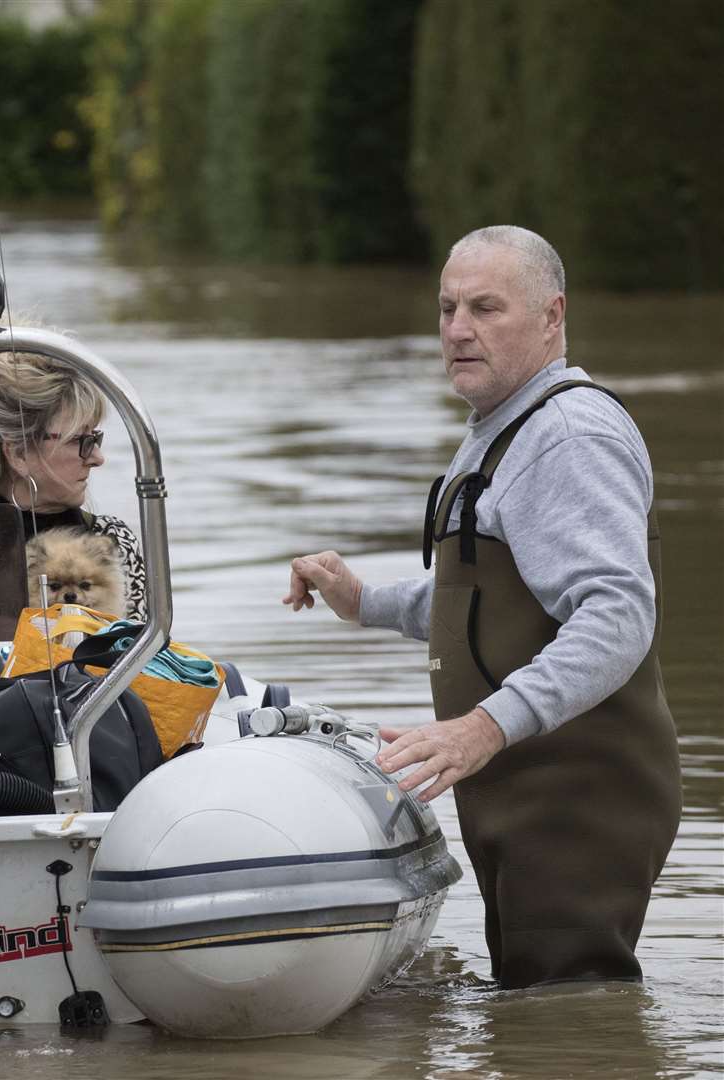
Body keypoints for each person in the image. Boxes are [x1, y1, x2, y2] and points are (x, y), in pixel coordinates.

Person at [283, 225, 681, 989]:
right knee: (535, 1014)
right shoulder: (504, 425)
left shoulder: (567, 434)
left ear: (551, 316)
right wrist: (362, 601)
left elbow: (617, 611)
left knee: (573, 1028)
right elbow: (482, 595)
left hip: (579, 793)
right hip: (517, 781)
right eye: (447, 308)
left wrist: (480, 726)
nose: (459, 330)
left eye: (486, 308)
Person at [0, 348, 146, 620]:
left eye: (95, 438)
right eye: (79, 441)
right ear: (19, 453)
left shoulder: (112, 538)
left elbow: (142, 650)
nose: (97, 457)